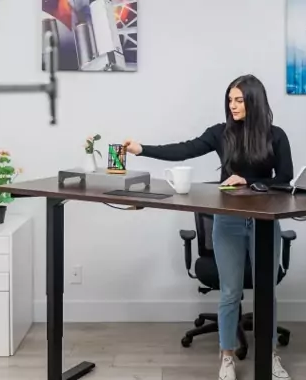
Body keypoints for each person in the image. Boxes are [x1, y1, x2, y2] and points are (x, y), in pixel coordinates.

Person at [124, 74, 294, 380]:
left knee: (266, 292)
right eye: (230, 99)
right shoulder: (220, 134)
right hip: (227, 222)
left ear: (254, 101)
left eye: (239, 99)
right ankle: (227, 357)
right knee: (230, 292)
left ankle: (270, 355)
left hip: (265, 223)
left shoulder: (276, 136)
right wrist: (142, 149)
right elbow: (184, 149)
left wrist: (250, 181)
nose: (233, 105)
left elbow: (285, 180)